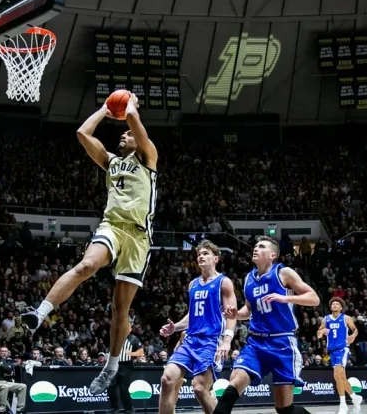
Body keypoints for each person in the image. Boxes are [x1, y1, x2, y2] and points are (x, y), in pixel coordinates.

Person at [22, 93, 158, 394]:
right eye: (121, 134)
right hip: (112, 226)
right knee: (86, 265)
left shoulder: (149, 157)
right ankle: (40, 313)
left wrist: (131, 105)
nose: (123, 136)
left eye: (127, 135)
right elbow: (82, 133)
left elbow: (135, 122)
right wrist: (104, 110)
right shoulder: (111, 162)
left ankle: (110, 367)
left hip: (138, 236)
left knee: (119, 309)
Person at [216, 237, 320, 414]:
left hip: (282, 343)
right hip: (256, 343)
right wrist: (237, 314)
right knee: (231, 388)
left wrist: (285, 297)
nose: (255, 248)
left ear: (272, 255)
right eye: (255, 246)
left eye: (261, 246)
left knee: (284, 409)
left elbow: (314, 299)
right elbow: (249, 309)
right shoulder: (249, 278)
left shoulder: (283, 273)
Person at [159, 240, 237, 414]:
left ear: (215, 258)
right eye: (199, 254)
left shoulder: (224, 282)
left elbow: (232, 315)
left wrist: (227, 341)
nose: (201, 256)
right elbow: (192, 315)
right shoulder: (193, 284)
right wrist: (176, 328)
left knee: (200, 389)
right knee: (167, 379)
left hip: (211, 341)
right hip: (189, 341)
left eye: (205, 253)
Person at [317, 297, 362, 411]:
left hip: (343, 349)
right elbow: (318, 334)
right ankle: (354, 397)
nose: (334, 305)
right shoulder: (326, 319)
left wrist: (353, 336)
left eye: (337, 304)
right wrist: (321, 332)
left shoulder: (346, 318)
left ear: (341, 307)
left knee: (337, 375)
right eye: (333, 304)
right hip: (332, 350)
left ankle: (343, 405)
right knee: (341, 378)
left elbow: (355, 329)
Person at [108, 321, 144, 414]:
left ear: (130, 329)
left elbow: (141, 352)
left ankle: (129, 409)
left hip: (126, 365)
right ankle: (114, 408)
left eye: (127, 327)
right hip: (115, 364)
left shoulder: (133, 339)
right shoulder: (116, 337)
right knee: (110, 386)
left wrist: (131, 353)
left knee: (123, 388)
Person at [0, 345, 26, 414]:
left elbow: (9, 370)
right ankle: (2, 410)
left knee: (23, 386)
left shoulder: (1, 360)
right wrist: (3, 370)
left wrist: (0, 367)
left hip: (4, 381)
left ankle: (19, 410)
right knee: (5, 387)